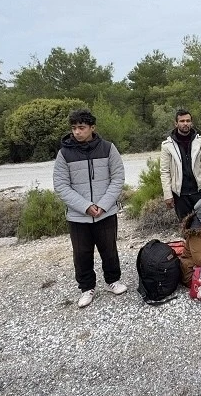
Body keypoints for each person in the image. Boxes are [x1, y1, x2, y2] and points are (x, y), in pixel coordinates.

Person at [53, 108, 127, 308]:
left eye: (82, 127)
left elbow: (118, 178)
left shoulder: (108, 148)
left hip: (106, 212)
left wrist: (103, 205)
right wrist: (86, 207)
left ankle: (113, 280)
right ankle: (87, 288)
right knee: (82, 253)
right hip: (78, 217)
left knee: (109, 249)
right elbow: (61, 185)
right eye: (74, 128)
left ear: (92, 128)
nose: (77, 132)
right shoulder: (64, 153)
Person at [160, 109, 201, 220]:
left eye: (188, 121)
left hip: (198, 191)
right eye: (182, 121)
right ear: (176, 123)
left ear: (191, 122)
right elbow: (165, 171)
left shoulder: (199, 141)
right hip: (180, 195)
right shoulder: (167, 145)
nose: (185, 123)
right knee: (186, 226)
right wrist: (168, 194)